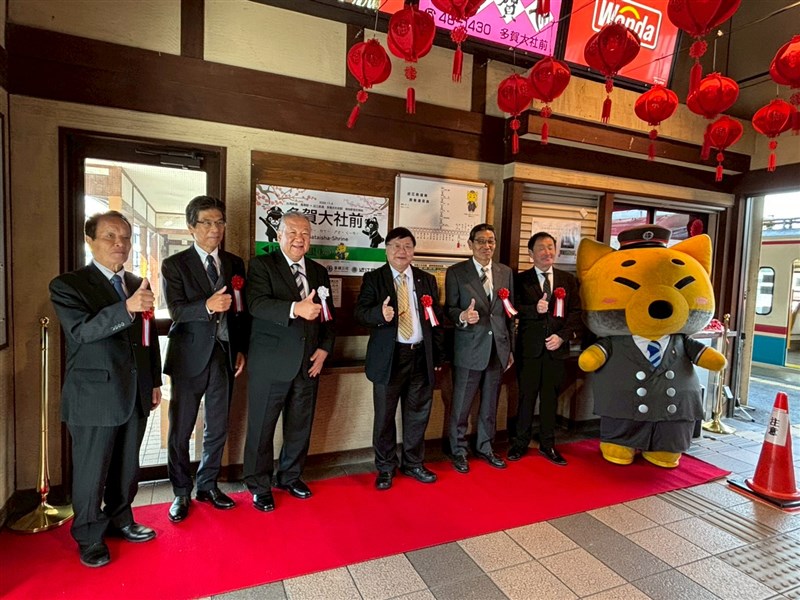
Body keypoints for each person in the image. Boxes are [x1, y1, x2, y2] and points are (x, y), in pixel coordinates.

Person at [49, 211, 162, 568]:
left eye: (125, 237)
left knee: (127, 466)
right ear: (91, 241)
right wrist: (125, 308)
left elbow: (149, 338)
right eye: (110, 236)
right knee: (91, 470)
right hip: (94, 395)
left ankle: (120, 519)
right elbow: (80, 331)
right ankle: (88, 535)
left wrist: (155, 381)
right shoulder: (69, 284)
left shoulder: (135, 281)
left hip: (135, 391)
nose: (119, 244)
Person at [161, 196, 250, 523]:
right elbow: (176, 310)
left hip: (224, 355)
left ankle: (208, 484)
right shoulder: (175, 264)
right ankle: (181, 491)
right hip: (188, 356)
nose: (215, 229)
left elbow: (240, 312)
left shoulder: (234, 263)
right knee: (181, 428)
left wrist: (240, 348)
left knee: (217, 425)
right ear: (191, 227)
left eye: (220, 222)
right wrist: (208, 305)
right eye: (207, 223)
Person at [243, 212, 335, 512]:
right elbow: (256, 304)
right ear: (278, 235)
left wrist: (324, 349)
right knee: (262, 428)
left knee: (300, 425)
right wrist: (295, 308)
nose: (300, 238)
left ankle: (290, 476)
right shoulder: (261, 265)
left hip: (309, 362)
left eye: (306, 233)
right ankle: (259, 485)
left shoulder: (319, 271)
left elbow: (328, 315)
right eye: (293, 232)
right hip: (271, 363)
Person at [355, 227, 445, 490]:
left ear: (413, 251)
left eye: (407, 246)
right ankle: (385, 467)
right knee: (384, 416)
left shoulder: (426, 279)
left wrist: (438, 355)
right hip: (390, 357)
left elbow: (436, 320)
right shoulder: (375, 279)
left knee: (418, 413)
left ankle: (414, 463)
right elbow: (360, 313)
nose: (401, 251)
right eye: (396, 246)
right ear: (387, 250)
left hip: (420, 355)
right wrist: (378, 315)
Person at [508, 232, 582, 466]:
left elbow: (575, 313)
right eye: (541, 248)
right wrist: (534, 309)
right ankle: (520, 443)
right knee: (526, 397)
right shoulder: (520, 280)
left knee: (550, 399)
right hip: (529, 350)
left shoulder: (567, 280)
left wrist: (561, 337)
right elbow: (512, 309)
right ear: (531, 254)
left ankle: (548, 445)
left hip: (556, 350)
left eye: (551, 247)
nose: (547, 252)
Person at [445, 223, 514, 473]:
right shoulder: (456, 272)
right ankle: (458, 450)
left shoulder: (505, 272)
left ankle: (485, 447)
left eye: (491, 241)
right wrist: (463, 315)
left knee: (490, 405)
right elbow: (448, 310)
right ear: (470, 244)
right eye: (481, 241)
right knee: (461, 404)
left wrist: (510, 349)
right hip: (469, 348)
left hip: (498, 348)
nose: (487, 246)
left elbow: (510, 315)